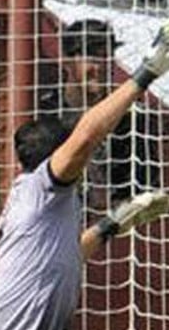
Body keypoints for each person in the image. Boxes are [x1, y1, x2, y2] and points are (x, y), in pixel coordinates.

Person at [0, 14, 169, 330]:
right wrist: (144, 74)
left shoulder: (42, 205)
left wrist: (113, 223)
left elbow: (69, 255)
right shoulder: (42, 189)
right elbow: (85, 137)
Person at [40, 19, 161, 211]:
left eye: (106, 57)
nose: (100, 67)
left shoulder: (130, 118)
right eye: (91, 58)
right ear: (67, 61)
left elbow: (144, 187)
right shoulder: (47, 112)